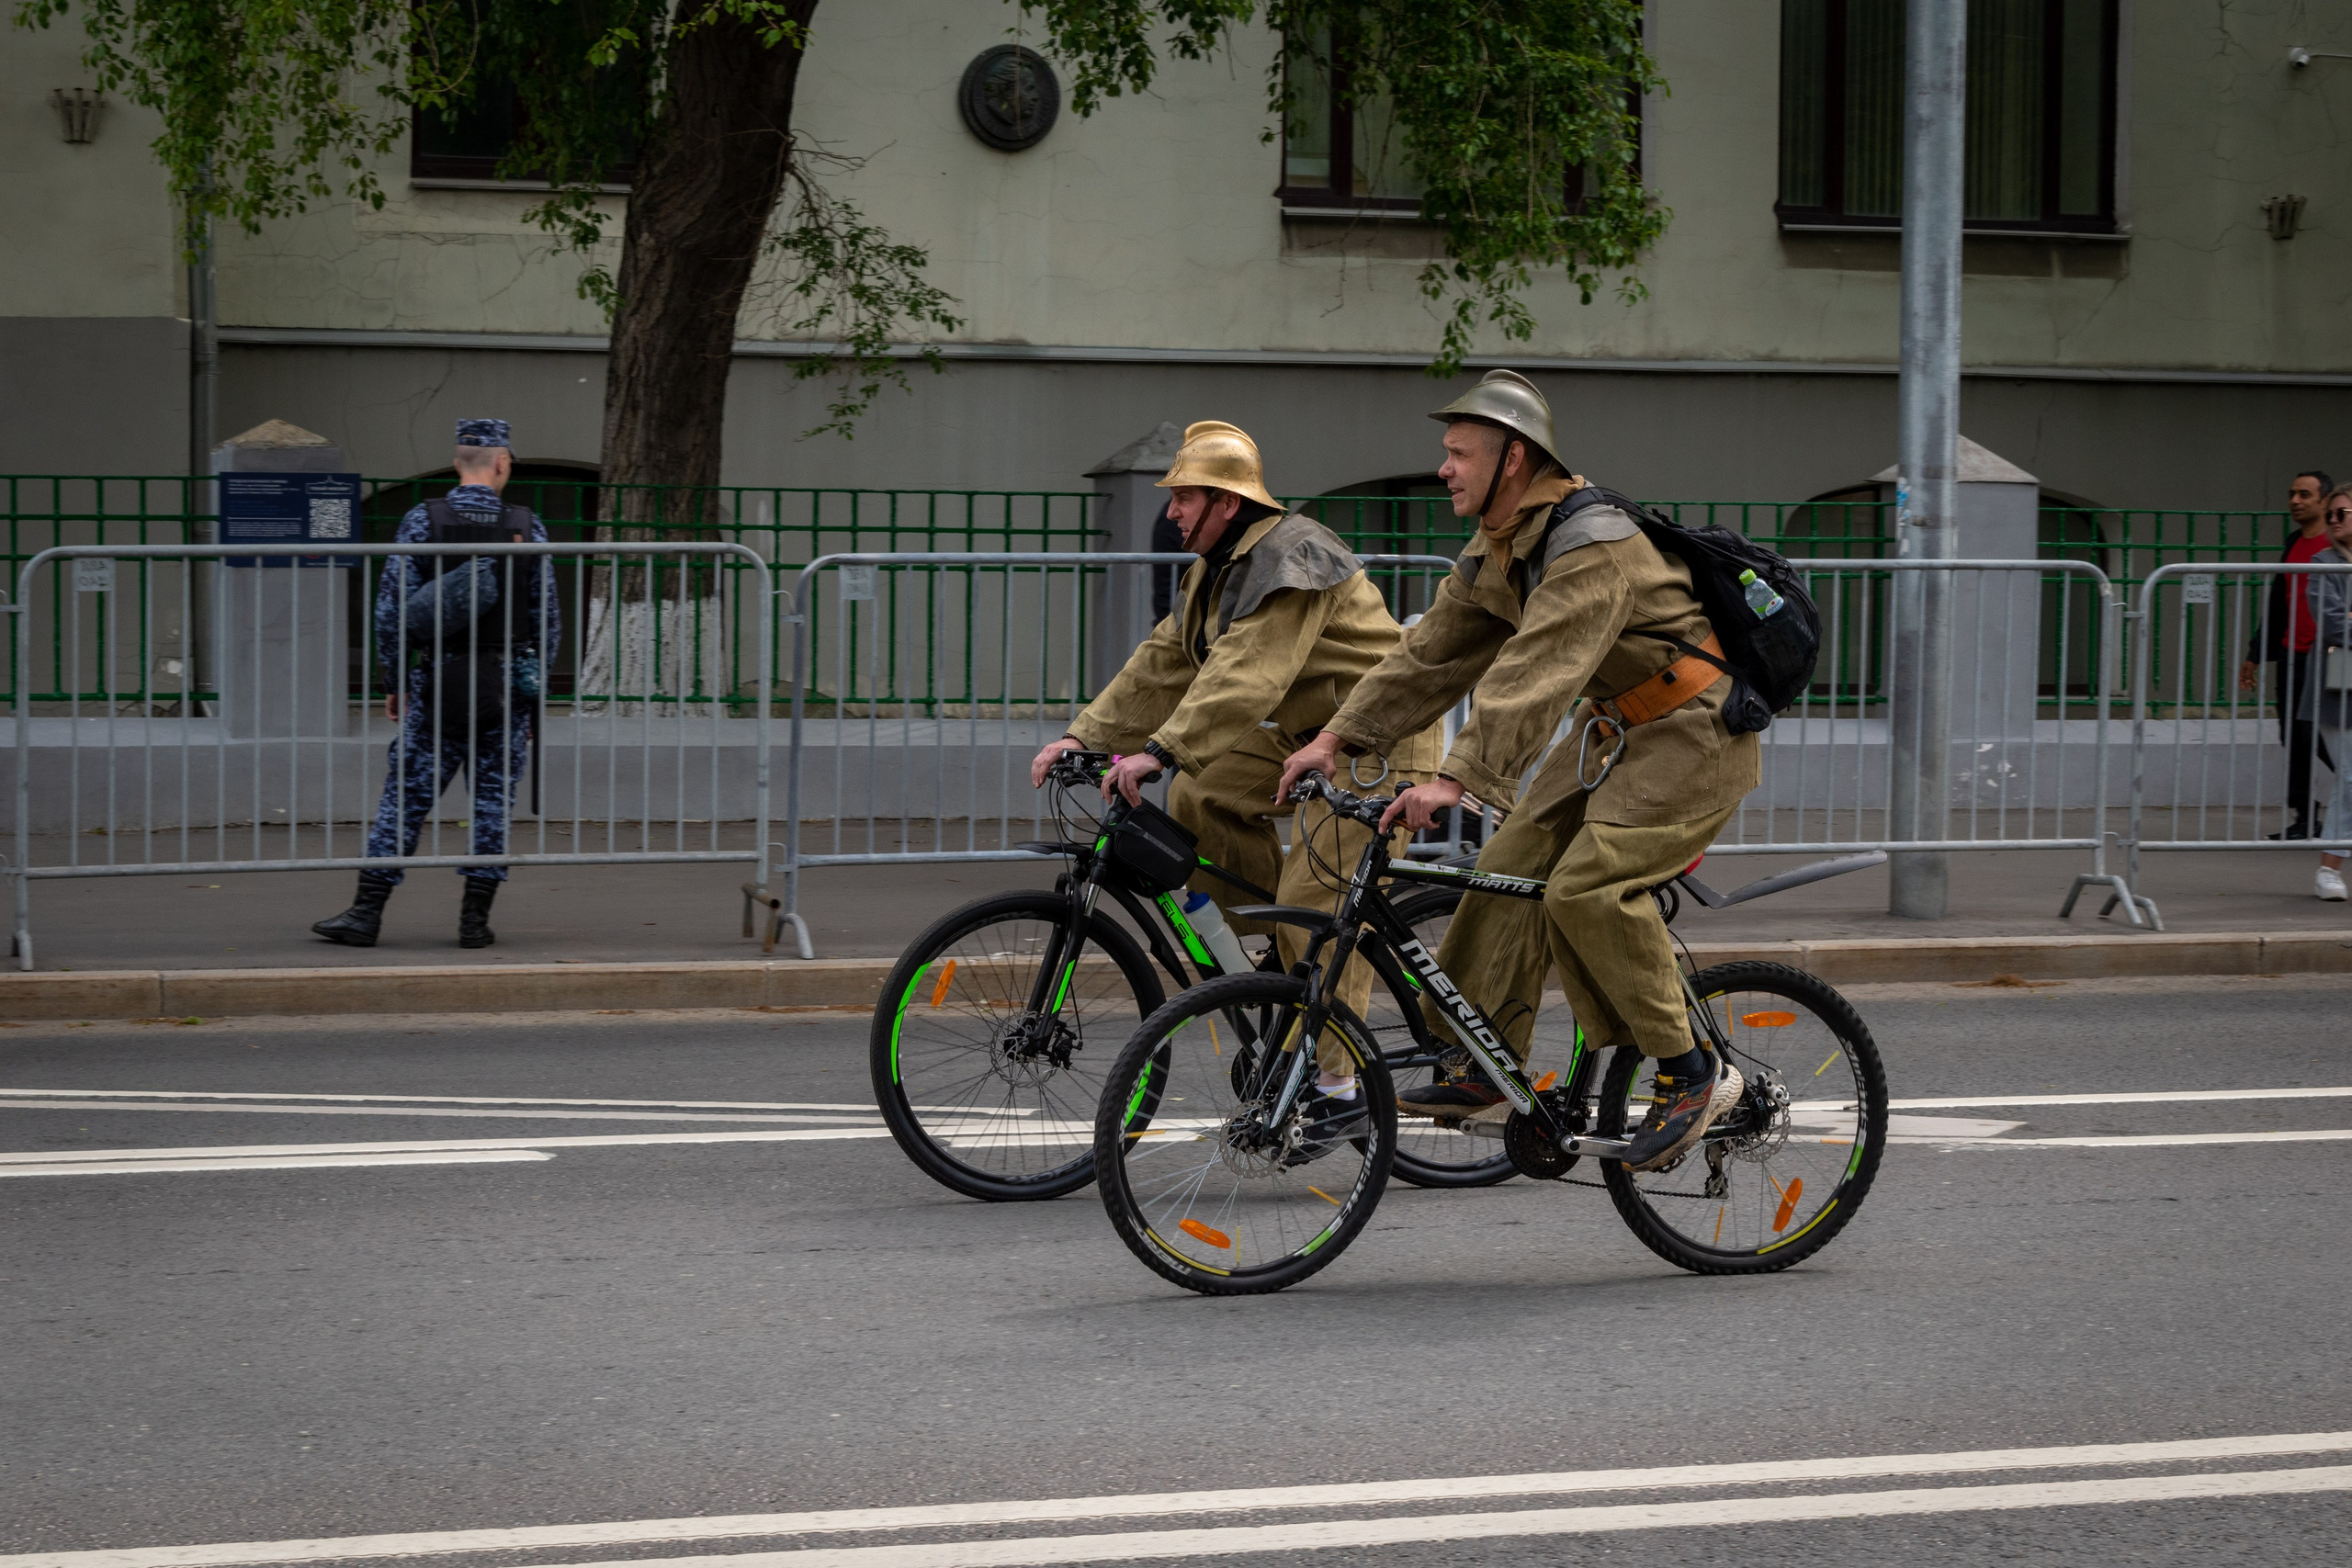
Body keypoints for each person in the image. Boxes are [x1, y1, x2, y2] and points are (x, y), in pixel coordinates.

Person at [1279, 369, 1758, 1174]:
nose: (1443, 468)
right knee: (1504, 870)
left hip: (1692, 733)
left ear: (1514, 459)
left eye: (1459, 453)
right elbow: (1432, 651)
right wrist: (1337, 736)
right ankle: (1483, 1063)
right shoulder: (1501, 545)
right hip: (1614, 731)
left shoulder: (1591, 543)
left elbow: (1536, 672)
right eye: (1446, 451)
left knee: (1588, 888)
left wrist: (1456, 779)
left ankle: (1691, 1068)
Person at [1029, 420, 1442, 1147]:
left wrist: (1161, 750)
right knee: (1203, 794)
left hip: (1377, 743)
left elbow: (1247, 673)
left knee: (1315, 903)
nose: (1173, 513)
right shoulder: (1214, 569)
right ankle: (1274, 959)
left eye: (1185, 497)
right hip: (1300, 739)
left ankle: (1337, 1086)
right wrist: (1084, 735)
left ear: (1226, 501)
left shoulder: (1295, 557)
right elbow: (1165, 662)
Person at [311, 418, 558, 949]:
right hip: (505, 688)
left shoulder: (423, 521)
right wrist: (531, 697)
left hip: (437, 683)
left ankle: (365, 914)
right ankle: (474, 923)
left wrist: (396, 680)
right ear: (501, 463)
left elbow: (390, 610)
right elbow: (548, 620)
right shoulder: (527, 526)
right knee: (492, 803)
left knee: (405, 798)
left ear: (457, 463)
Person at [2239, 470, 2338, 840]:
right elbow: (2279, 605)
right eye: (2292, 494)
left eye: (2305, 495)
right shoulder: (2294, 541)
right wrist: (2255, 653)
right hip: (2292, 654)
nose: (2295, 501)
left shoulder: (2337, 546)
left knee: (2316, 734)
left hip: (2327, 656)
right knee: (2292, 736)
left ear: (2325, 501)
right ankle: (2305, 818)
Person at [2310, 485, 2352, 900]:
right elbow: (2334, 623)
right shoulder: (2322, 563)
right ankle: (2329, 867)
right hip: (2337, 690)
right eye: (2333, 514)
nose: (2334, 520)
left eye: (2342, 513)